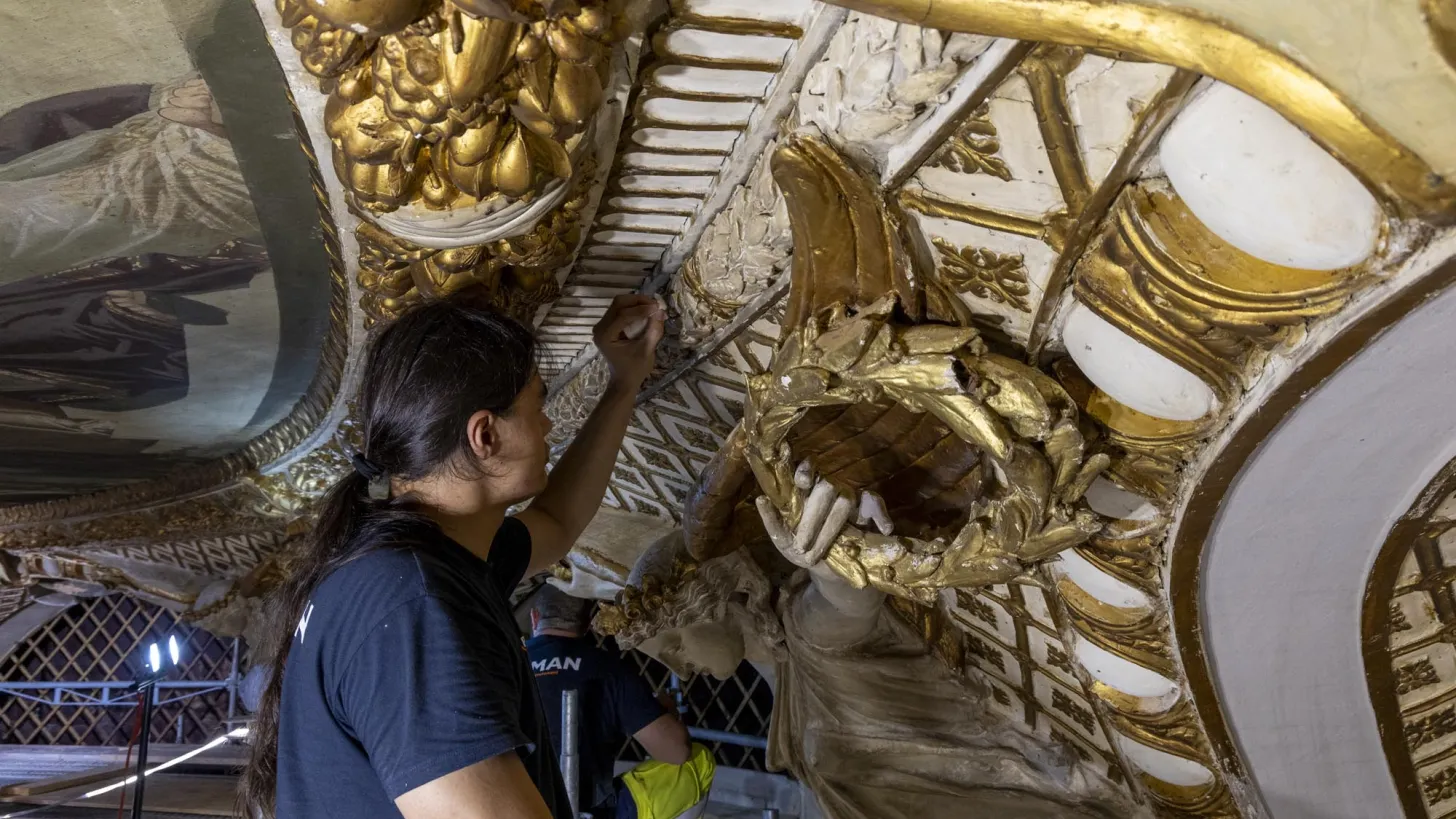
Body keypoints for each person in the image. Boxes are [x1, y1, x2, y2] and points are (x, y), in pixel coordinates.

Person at [238, 292, 666, 819]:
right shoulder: (413, 603)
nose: (549, 427)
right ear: (485, 434)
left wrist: (623, 383)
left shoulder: (413, 561)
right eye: (539, 406)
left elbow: (556, 523)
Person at [526, 585, 691, 817]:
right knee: (698, 763)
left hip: (510, 805)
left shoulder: (502, 666)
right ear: (587, 623)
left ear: (534, 618)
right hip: (589, 809)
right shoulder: (610, 669)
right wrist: (662, 711)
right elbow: (676, 752)